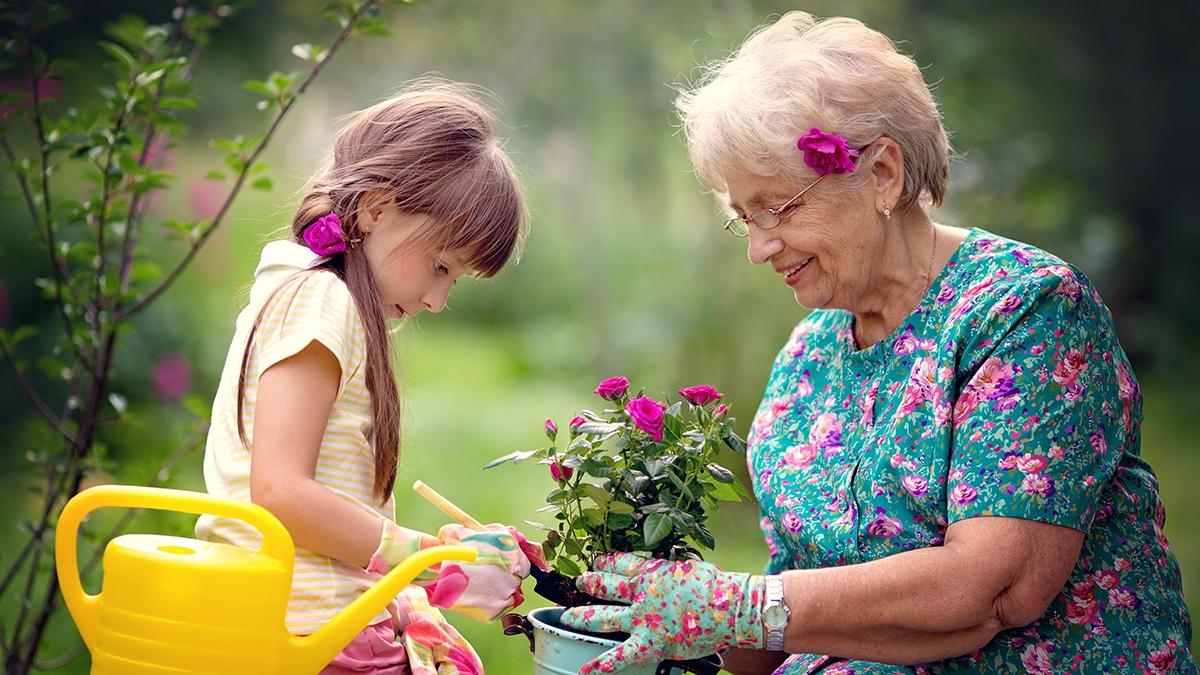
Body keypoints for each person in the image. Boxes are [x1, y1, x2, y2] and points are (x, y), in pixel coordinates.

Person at [561, 12, 1195, 674]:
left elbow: (992, 591)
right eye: (744, 219)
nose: (758, 248)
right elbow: (796, 618)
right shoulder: (805, 360)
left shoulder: (1024, 312)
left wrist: (735, 601)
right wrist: (632, 619)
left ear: (883, 174)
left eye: (777, 208)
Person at [195, 80, 542, 674]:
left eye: (453, 280)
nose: (437, 300)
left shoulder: (319, 298)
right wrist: (427, 561)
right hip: (307, 628)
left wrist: (433, 564)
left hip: (308, 613)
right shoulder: (321, 301)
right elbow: (279, 491)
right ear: (376, 209)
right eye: (440, 266)